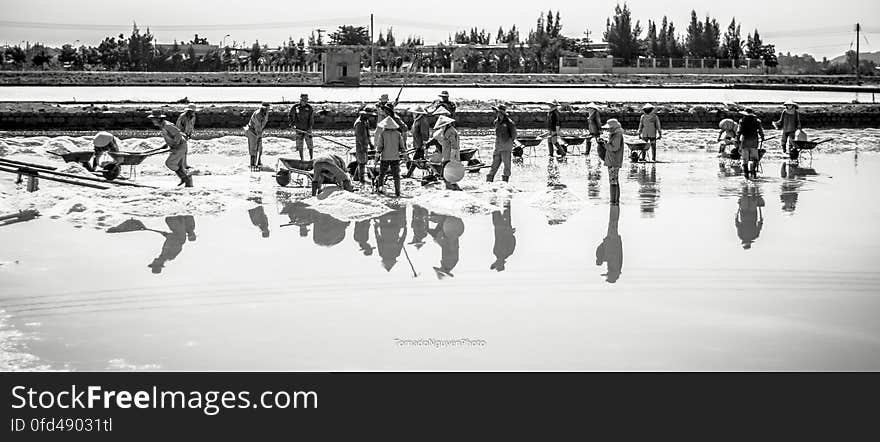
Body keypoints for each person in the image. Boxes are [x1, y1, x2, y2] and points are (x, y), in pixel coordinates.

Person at [147, 109, 192, 187]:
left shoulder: (167, 125)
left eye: (153, 119)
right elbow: (171, 136)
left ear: (158, 119)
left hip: (180, 146)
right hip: (178, 145)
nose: (152, 121)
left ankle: (186, 178)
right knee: (178, 165)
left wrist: (175, 146)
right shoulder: (163, 125)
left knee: (170, 163)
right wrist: (166, 144)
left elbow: (178, 135)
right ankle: (187, 181)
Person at [375, 116, 406, 197]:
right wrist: (405, 155)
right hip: (395, 158)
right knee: (396, 176)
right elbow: (402, 147)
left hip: (385, 158)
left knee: (382, 175)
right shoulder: (398, 134)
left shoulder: (382, 134)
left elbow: (379, 147)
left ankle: (380, 190)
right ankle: (397, 192)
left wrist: (376, 158)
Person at [487, 105, 516, 183]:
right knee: (494, 166)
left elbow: (514, 135)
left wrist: (509, 143)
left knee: (507, 167)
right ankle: (489, 182)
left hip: (506, 147)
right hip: (498, 147)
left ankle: (505, 183)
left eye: (500, 113)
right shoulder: (496, 122)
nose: (498, 114)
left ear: (503, 113)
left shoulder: (509, 123)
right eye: (497, 112)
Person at [432, 115, 462, 190]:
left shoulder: (449, 131)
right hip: (446, 154)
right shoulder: (448, 130)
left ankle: (450, 187)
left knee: (447, 173)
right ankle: (452, 186)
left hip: (449, 155)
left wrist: (452, 156)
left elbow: (454, 145)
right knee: (448, 172)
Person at [374, 207, 408, 271]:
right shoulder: (382, 254)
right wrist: (375, 229)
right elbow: (378, 240)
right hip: (386, 229)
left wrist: (405, 231)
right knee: (384, 213)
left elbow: (402, 240)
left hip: (393, 229)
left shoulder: (396, 254)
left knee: (394, 213)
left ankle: (393, 203)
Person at [595, 205, 622, 283]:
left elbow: (612, 255)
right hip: (612, 239)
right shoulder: (615, 268)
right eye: (608, 275)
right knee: (613, 221)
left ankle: (614, 204)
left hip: (613, 239)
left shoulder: (615, 268)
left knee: (613, 221)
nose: (607, 272)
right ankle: (614, 204)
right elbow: (612, 254)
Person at [601, 118, 625, 205]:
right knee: (614, 181)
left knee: (613, 182)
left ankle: (613, 201)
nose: (608, 130)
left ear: (613, 127)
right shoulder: (615, 134)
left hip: (613, 161)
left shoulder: (617, 135)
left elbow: (615, 148)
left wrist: (605, 145)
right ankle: (615, 200)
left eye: (609, 128)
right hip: (613, 160)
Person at [736, 108, 765, 178]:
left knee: (745, 159)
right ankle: (753, 173)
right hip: (754, 141)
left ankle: (746, 175)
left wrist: (737, 140)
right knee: (755, 158)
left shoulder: (742, 121)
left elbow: (739, 132)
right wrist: (762, 137)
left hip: (744, 141)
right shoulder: (757, 121)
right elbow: (760, 131)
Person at [404, 105, 431, 178]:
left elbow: (424, 134)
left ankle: (408, 175)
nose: (413, 114)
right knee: (418, 162)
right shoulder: (417, 120)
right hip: (417, 144)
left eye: (414, 113)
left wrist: (424, 144)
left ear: (418, 113)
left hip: (420, 145)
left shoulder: (422, 121)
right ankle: (409, 175)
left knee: (416, 162)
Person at [735, 185, 765, 249]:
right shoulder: (742, 236)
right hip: (746, 215)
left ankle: (751, 185)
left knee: (752, 197)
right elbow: (737, 225)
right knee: (745, 196)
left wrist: (761, 221)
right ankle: (748, 185)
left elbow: (759, 226)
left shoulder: (754, 236)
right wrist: (736, 218)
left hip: (751, 215)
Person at [353, 106, 376, 183]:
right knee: (362, 162)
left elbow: (368, 134)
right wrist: (362, 146)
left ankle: (356, 177)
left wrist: (370, 144)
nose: (369, 117)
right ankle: (361, 179)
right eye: (368, 115)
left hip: (365, 143)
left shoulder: (365, 122)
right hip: (360, 145)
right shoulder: (359, 123)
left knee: (362, 161)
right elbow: (359, 137)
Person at [289, 94, 316, 160]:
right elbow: (290, 116)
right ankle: (302, 159)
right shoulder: (295, 107)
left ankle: (311, 158)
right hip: (298, 129)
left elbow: (311, 118)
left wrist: (309, 128)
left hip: (307, 129)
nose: (305, 101)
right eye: (304, 100)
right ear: (301, 100)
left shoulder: (309, 107)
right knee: (300, 146)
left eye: (306, 100)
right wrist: (292, 125)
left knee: (310, 145)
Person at [245, 102, 271, 171]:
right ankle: (252, 164)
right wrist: (259, 135)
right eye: (266, 109)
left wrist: (260, 134)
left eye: (268, 109)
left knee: (260, 148)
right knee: (253, 148)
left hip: (258, 131)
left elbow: (263, 124)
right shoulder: (258, 114)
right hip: (252, 131)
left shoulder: (266, 113)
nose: (267, 110)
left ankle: (259, 162)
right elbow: (257, 126)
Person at [490, 204, 516, 272]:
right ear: (501, 263)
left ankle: (493, 194)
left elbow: (512, 240)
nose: (496, 262)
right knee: (506, 206)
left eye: (496, 263)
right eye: (498, 263)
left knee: (494, 206)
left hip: (498, 226)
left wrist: (510, 233)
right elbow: (513, 240)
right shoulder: (508, 252)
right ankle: (507, 195)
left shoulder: (495, 252)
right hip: (505, 226)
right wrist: (510, 233)